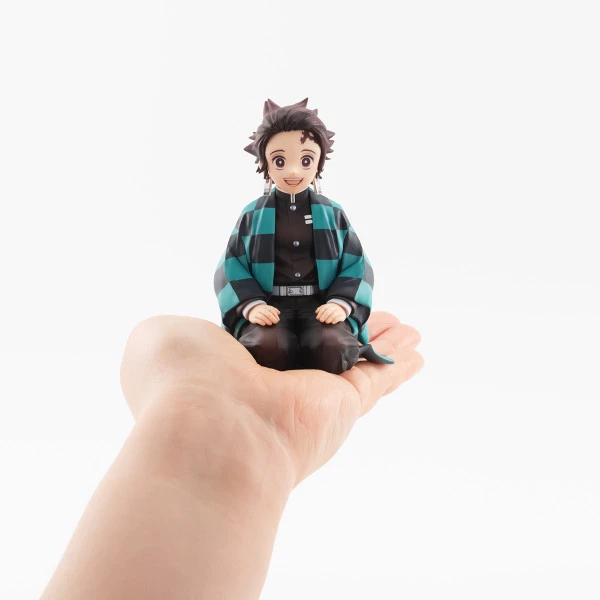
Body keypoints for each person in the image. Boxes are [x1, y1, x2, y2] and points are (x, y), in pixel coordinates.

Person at [40, 313, 423, 599]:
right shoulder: (256, 236)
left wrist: (342, 304)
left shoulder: (330, 236)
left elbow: (350, 271)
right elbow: (237, 275)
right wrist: (220, 403)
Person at [214, 98, 394, 374]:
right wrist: (250, 305)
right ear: (264, 163)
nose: (294, 171)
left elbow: (356, 263)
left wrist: (342, 302)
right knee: (266, 346)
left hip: (320, 305)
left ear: (319, 162)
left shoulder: (333, 213)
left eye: (306, 160)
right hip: (270, 305)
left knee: (333, 346)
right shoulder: (253, 214)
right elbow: (231, 265)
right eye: (280, 161)